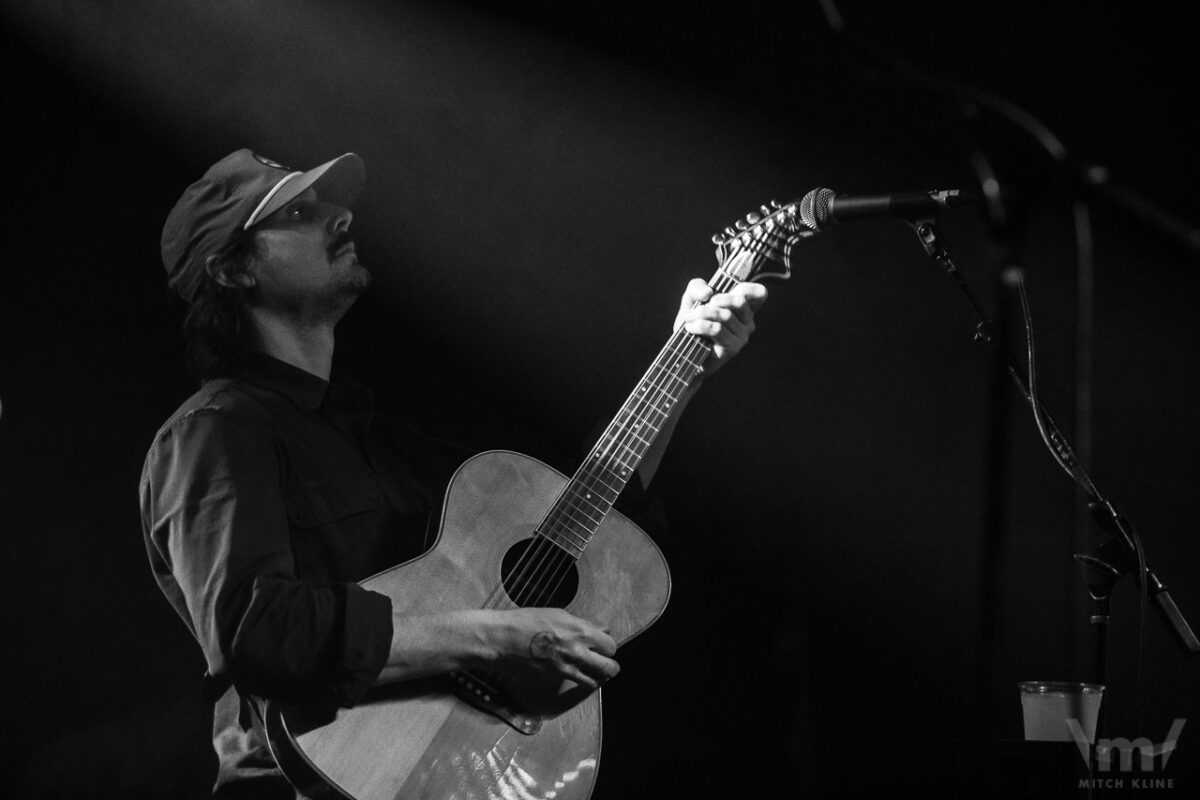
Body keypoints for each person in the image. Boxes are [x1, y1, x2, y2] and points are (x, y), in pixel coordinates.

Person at [140, 149, 766, 798]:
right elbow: (261, 633)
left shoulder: (380, 437)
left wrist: (683, 364)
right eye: (300, 212)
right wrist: (494, 637)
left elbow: (575, 520)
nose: (340, 216)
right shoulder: (215, 430)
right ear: (231, 269)